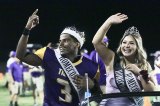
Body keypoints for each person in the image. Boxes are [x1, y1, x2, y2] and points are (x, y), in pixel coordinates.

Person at [16, 9, 101, 106]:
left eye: (65, 40)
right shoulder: (48, 54)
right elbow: (20, 55)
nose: (60, 44)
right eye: (60, 40)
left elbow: (101, 99)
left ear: (77, 44)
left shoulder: (91, 67)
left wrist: (93, 86)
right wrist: (27, 29)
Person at [92, 13, 155, 106]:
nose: (126, 46)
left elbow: (150, 91)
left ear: (138, 47)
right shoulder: (112, 59)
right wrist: (108, 22)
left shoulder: (144, 65)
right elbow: (96, 42)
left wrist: (139, 72)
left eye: (131, 43)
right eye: (124, 42)